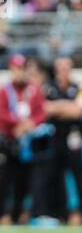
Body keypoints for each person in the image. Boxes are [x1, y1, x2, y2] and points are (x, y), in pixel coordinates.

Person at [0, 54, 46, 224]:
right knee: (2, 181)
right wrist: (19, 124)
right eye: (16, 69)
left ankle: (17, 214)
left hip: (26, 144)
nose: (19, 73)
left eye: (22, 69)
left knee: (23, 182)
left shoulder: (33, 90)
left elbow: (41, 113)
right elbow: (1, 114)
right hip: (7, 141)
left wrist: (29, 124)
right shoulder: (4, 90)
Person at [41, 57, 82, 223]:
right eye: (61, 67)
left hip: (74, 139)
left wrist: (57, 107)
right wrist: (67, 106)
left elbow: (77, 112)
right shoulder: (48, 88)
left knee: (79, 177)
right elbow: (45, 108)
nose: (64, 70)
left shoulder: (77, 88)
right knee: (54, 178)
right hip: (54, 138)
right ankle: (58, 214)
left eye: (67, 67)